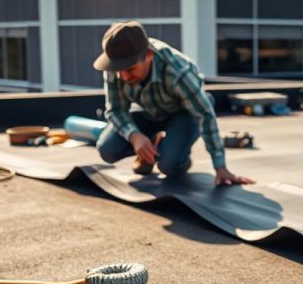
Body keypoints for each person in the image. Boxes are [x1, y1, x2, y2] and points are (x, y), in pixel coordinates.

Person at [93, 21, 254, 187]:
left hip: (184, 112)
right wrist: (135, 136)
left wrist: (221, 167)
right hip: (147, 110)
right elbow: (115, 110)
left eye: (131, 69)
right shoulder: (116, 66)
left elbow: (204, 116)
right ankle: (152, 143)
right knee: (107, 149)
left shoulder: (177, 70)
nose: (124, 77)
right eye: (119, 70)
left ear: (149, 55)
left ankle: (175, 154)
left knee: (169, 166)